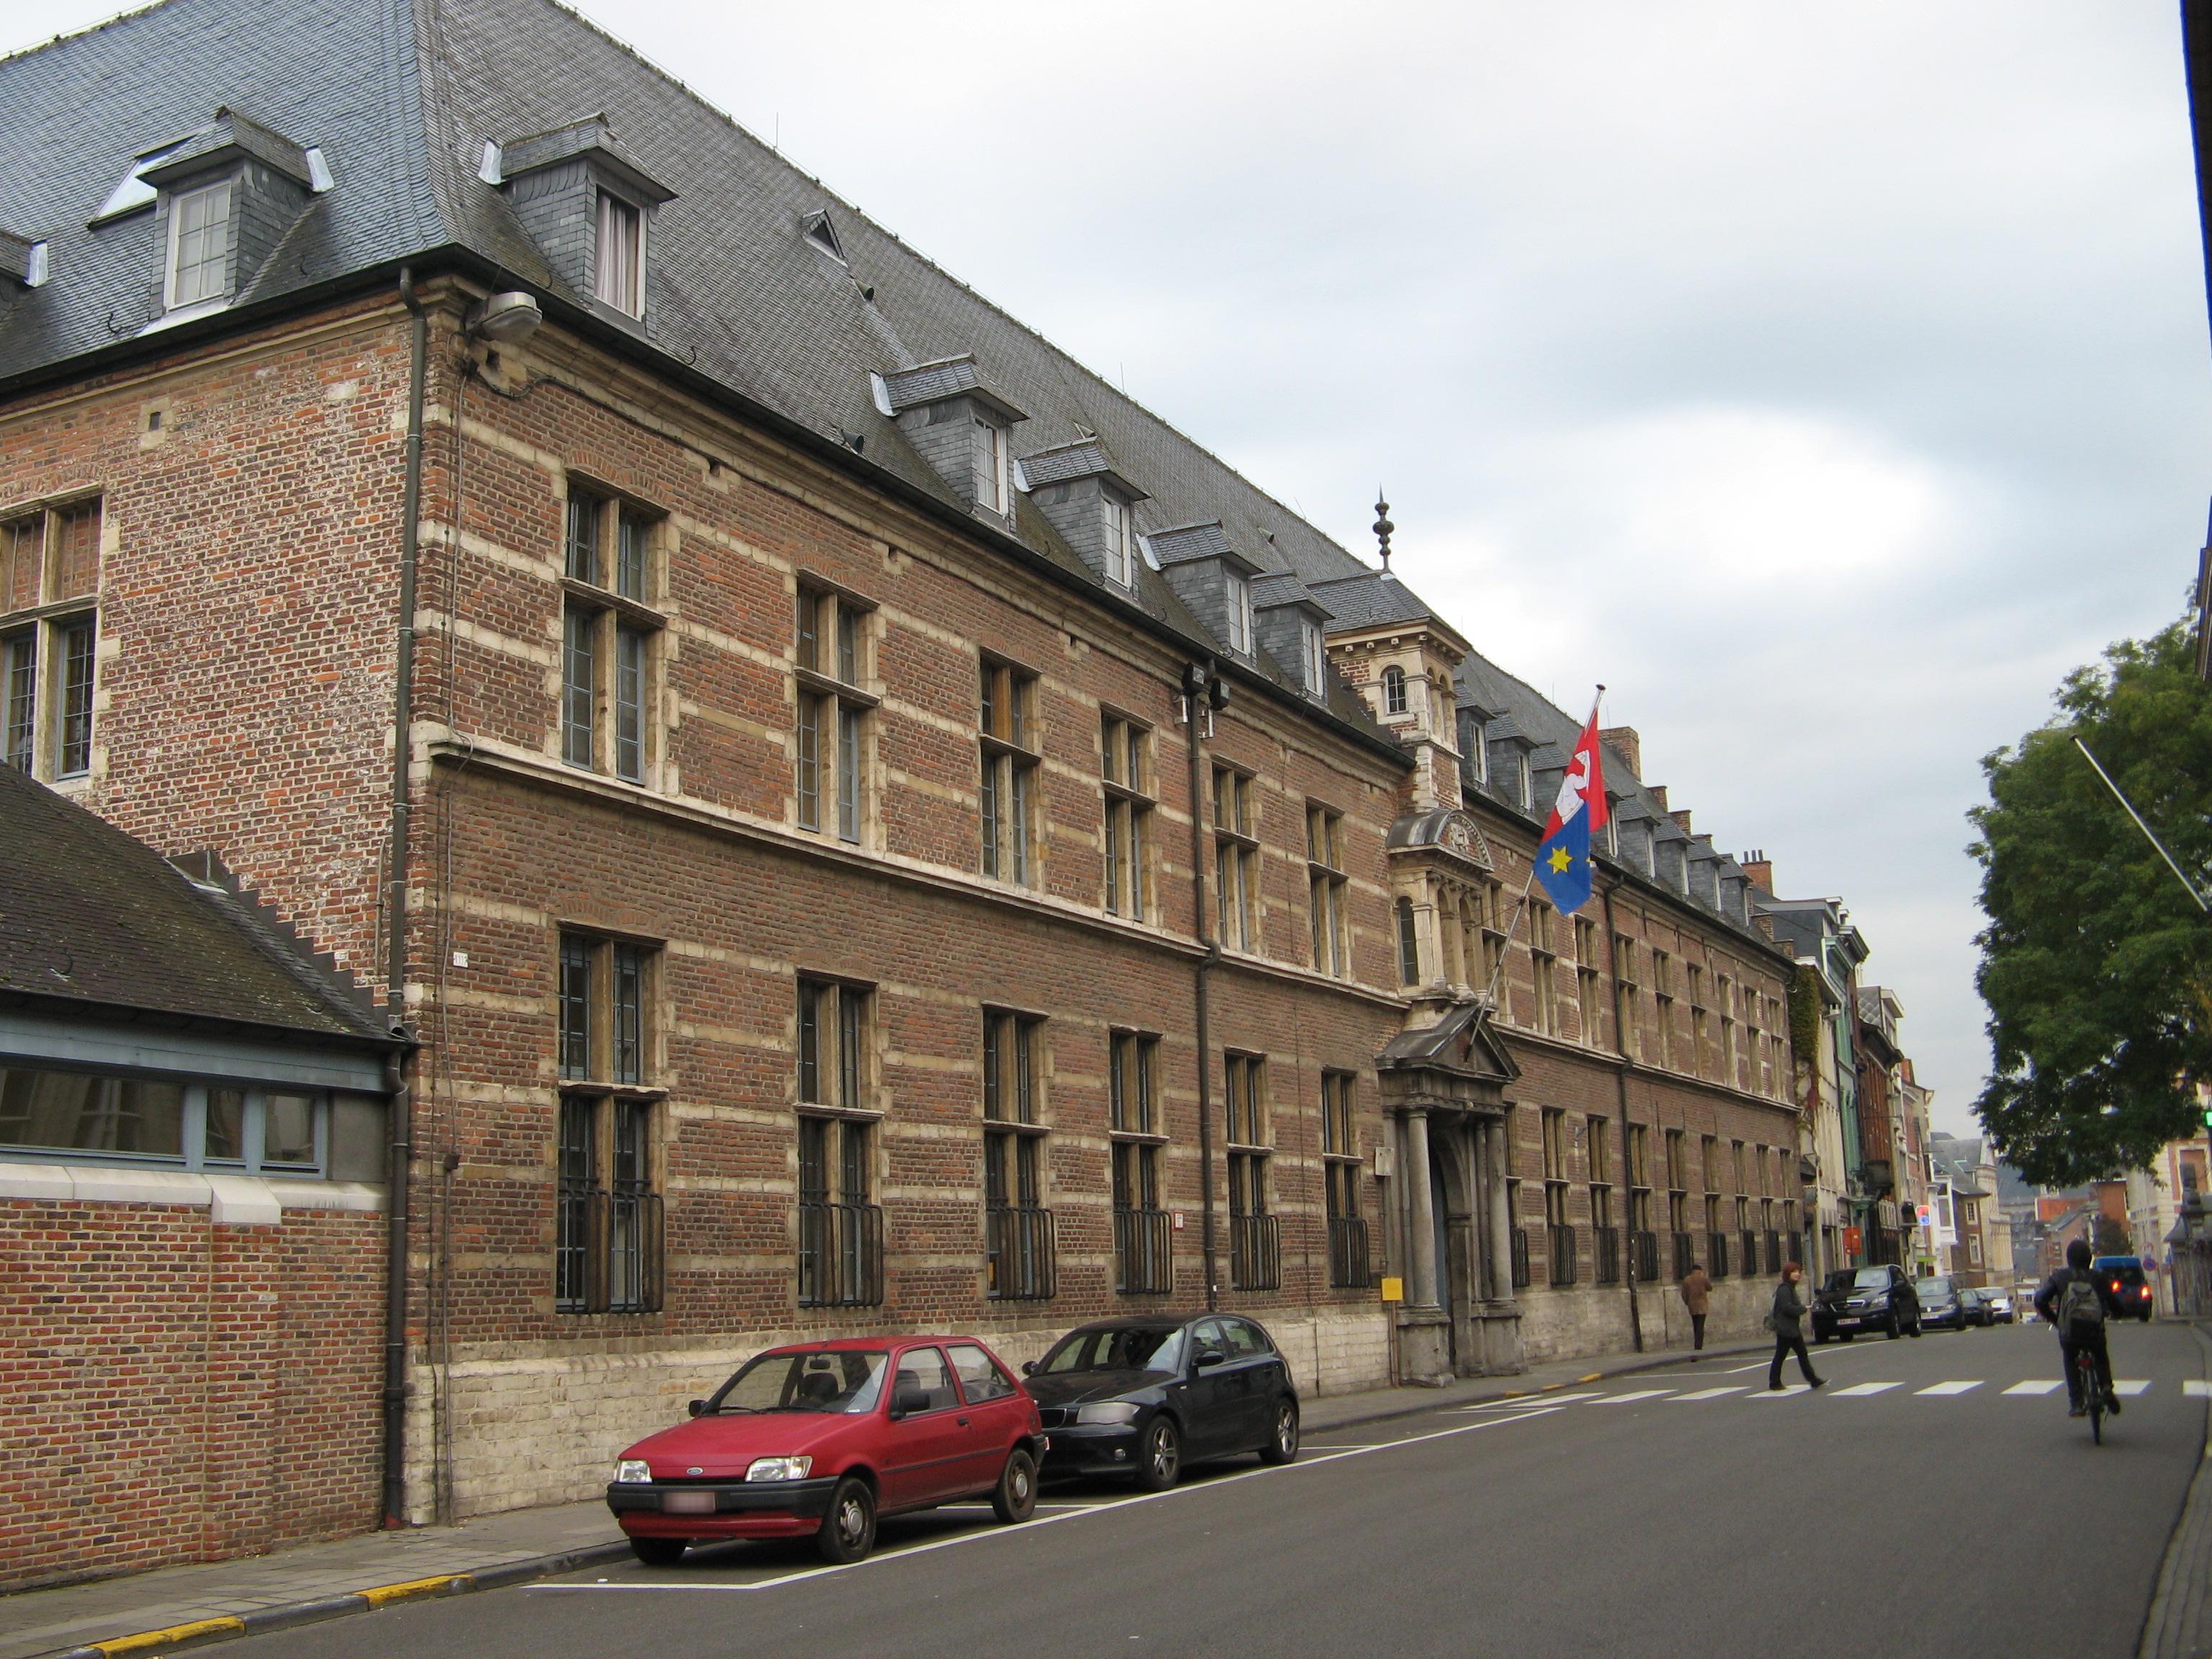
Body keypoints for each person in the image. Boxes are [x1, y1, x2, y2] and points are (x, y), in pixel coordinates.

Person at [2033, 1237, 2119, 1419]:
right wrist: (2118, 1312)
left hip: (2070, 1332)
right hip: (2094, 1330)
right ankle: (2105, 1387)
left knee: (2070, 1358)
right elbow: (2113, 1302)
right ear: (2089, 1258)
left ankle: (2077, 1403)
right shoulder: (2098, 1278)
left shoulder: (2059, 1277)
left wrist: (2056, 1320)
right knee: (2100, 1354)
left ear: (2069, 1259)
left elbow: (2040, 1300)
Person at [1767, 1261, 1825, 1392]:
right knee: (1781, 1355)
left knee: (1801, 1353)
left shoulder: (1790, 1288)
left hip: (1792, 1328)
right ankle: (1774, 1382)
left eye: (1799, 1272)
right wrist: (1802, 1309)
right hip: (1785, 1329)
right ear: (1787, 1274)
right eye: (1794, 1272)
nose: (1797, 1274)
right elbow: (1786, 1307)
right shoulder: (1784, 1289)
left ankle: (1813, 1380)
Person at [1679, 1262, 1712, 1355]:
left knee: (1695, 1324)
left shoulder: (1687, 1280)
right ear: (1700, 1271)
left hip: (1692, 1305)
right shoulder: (1703, 1279)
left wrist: (1687, 1302)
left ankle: (1696, 1343)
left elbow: (1684, 1293)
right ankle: (1699, 1344)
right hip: (1702, 1304)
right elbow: (1710, 1288)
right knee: (1701, 1324)